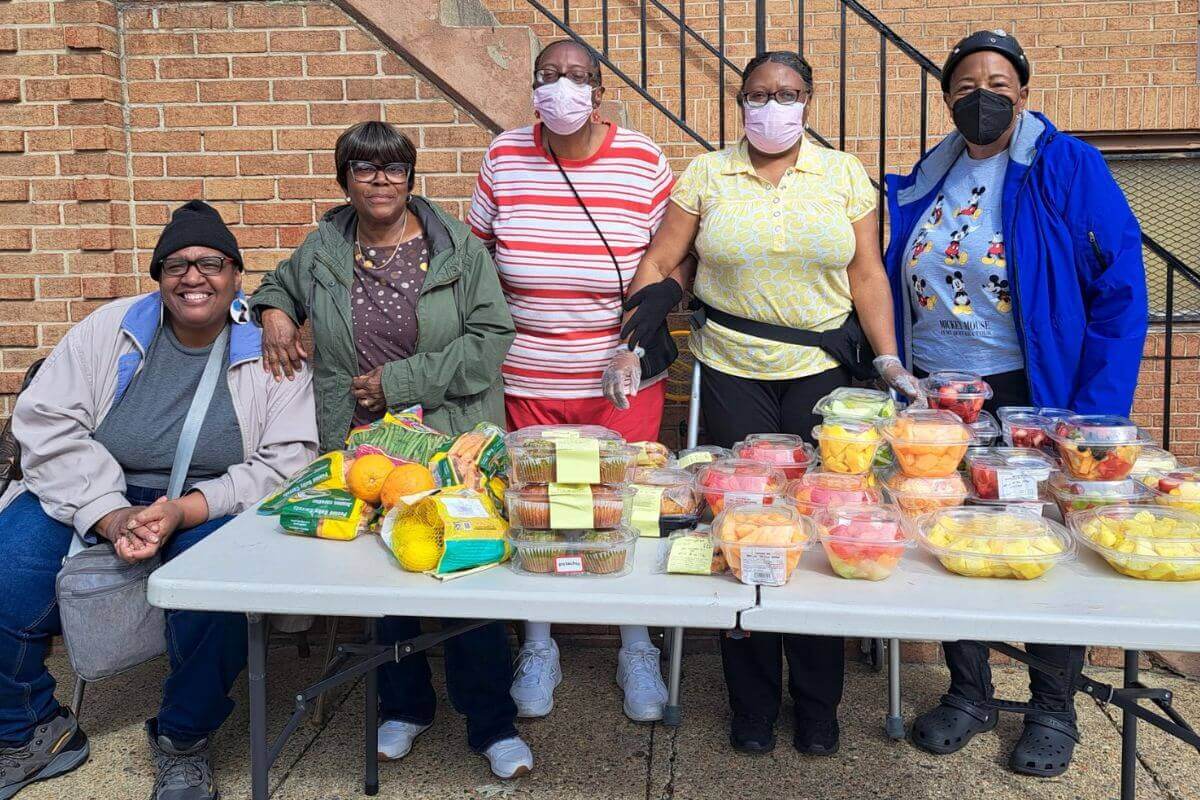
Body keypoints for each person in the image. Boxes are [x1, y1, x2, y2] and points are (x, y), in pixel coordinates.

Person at [612, 51, 910, 755]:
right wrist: (634, 335)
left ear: (810, 100)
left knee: (819, 524)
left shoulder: (843, 175)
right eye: (758, 94)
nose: (772, 105)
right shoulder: (708, 173)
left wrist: (890, 355)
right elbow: (661, 260)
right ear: (739, 101)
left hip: (823, 374)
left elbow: (866, 272)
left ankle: (816, 703)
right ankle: (750, 703)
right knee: (742, 527)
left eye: (787, 93)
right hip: (731, 371)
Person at [884, 30, 1147, 777]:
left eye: (998, 83)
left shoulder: (1066, 166)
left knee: (1039, 546)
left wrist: (1092, 414)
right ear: (946, 99)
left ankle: (1052, 706)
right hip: (940, 395)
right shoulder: (924, 180)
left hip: (1037, 395)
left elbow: (1120, 287)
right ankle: (969, 692)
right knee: (950, 535)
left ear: (1024, 94)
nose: (982, 97)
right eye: (965, 86)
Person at [0, 200, 318, 800]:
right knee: (5, 567)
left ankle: (182, 739)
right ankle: (30, 731)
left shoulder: (268, 346)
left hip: (210, 504)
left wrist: (186, 509)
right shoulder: (111, 328)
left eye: (210, 263)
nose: (193, 277)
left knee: (219, 591)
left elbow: (286, 466)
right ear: (158, 276)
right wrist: (109, 512)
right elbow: (44, 422)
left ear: (235, 275)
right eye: (175, 264)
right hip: (96, 488)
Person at [249, 121, 532, 778]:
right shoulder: (324, 246)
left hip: (450, 439)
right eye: (365, 168)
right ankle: (404, 709)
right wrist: (275, 311)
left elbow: (493, 337)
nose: (381, 180)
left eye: (394, 168)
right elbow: (279, 284)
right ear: (344, 178)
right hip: (365, 445)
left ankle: (490, 723)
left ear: (411, 177)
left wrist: (400, 381)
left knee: (468, 575)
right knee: (386, 578)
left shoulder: (458, 249)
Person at [467, 40, 679, 724]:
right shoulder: (504, 156)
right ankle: (538, 644)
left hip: (620, 380)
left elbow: (676, 265)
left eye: (578, 78)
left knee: (622, 509)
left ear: (601, 89)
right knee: (540, 513)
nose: (563, 89)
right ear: (532, 87)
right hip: (528, 376)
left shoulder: (642, 159)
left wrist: (634, 346)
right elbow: (477, 261)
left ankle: (636, 644)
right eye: (549, 76)